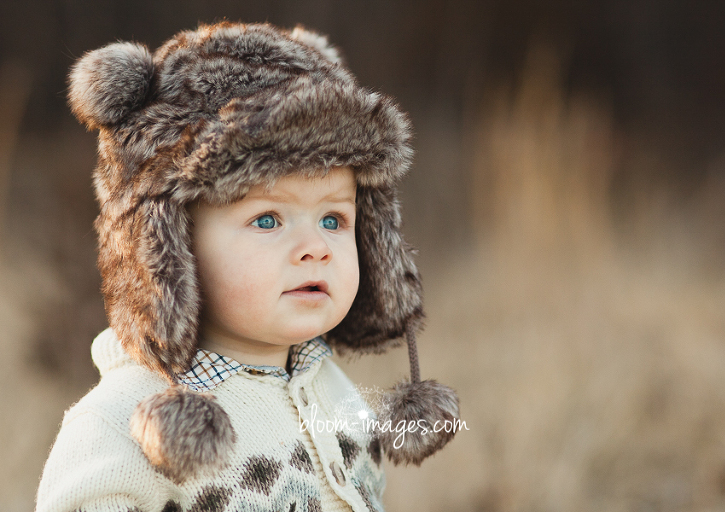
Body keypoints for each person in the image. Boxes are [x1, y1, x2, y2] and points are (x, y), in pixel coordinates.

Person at [35, 21, 459, 512]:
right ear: (170, 248)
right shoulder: (115, 429)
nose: (315, 247)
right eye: (266, 218)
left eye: (332, 218)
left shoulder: (336, 395)